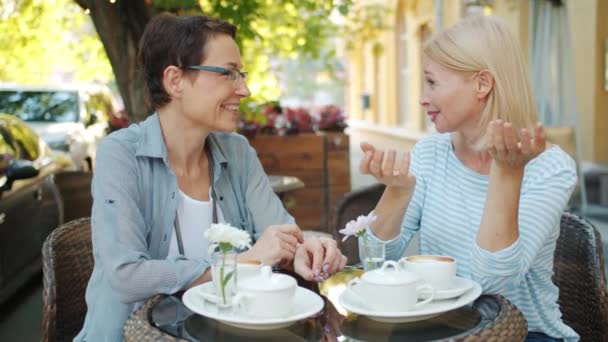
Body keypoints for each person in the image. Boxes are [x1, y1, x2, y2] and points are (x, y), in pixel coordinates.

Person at [75, 13, 347, 341]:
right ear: (174, 80)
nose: (244, 89)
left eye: (241, 74)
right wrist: (243, 261)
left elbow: (280, 236)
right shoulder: (120, 155)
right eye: (228, 74)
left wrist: (306, 250)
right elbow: (127, 277)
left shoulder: (237, 152)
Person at [359, 16, 578, 341]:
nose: (422, 98)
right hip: (441, 327)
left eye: (432, 82)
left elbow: (492, 283)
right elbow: (375, 263)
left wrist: (507, 172)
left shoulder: (549, 167)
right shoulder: (431, 152)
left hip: (525, 333)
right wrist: (397, 191)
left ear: (482, 84)